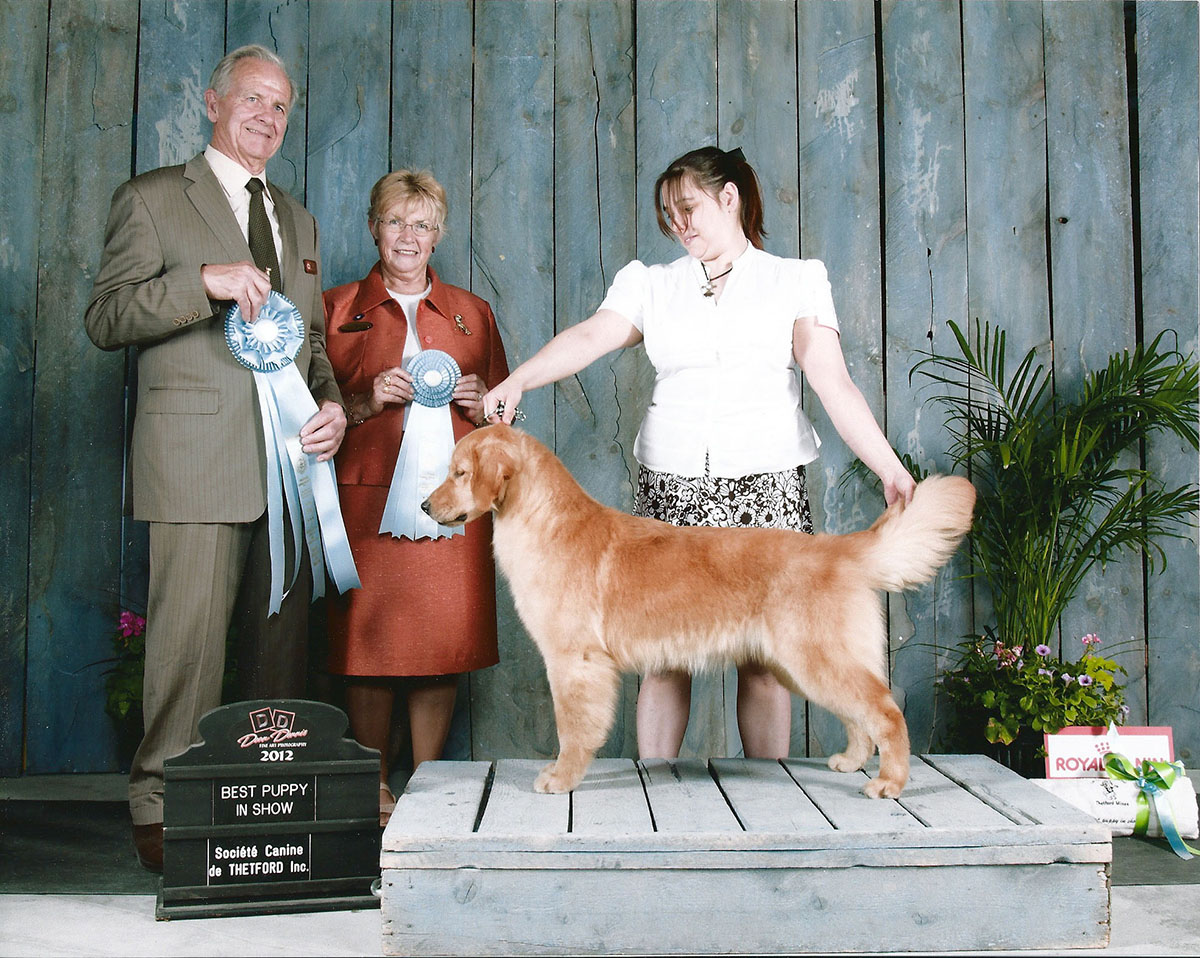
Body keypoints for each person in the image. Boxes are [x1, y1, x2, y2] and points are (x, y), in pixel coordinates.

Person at [483, 145, 916, 762]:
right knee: (660, 658)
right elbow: (591, 336)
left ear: (730, 197)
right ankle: (652, 793)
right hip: (671, 487)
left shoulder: (796, 280)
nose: (679, 224)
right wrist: (520, 378)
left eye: (689, 208)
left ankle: (771, 792)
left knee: (767, 660)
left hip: (764, 483)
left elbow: (834, 383)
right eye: (669, 215)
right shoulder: (651, 284)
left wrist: (891, 471)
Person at [85, 45, 346, 872]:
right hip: (194, 460)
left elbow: (305, 348)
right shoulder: (154, 199)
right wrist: (200, 280)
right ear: (211, 102)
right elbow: (106, 317)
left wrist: (334, 406)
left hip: (289, 471)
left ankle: (260, 801)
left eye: (280, 107)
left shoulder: (297, 220)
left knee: (279, 654)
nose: (267, 118)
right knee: (188, 648)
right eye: (253, 101)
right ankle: (160, 800)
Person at [323, 169, 509, 826]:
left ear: (439, 235)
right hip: (363, 502)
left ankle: (427, 786)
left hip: (451, 506)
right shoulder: (334, 308)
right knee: (368, 648)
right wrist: (364, 399)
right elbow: (307, 416)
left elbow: (504, 423)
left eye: (423, 224)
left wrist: (485, 403)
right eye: (397, 222)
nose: (409, 236)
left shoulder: (472, 314)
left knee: (440, 643)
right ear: (374, 227)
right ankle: (373, 785)